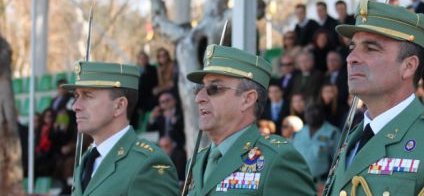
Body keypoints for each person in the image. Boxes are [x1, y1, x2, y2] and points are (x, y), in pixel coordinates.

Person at [328, 0, 424, 195]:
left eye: (370, 48)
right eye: (353, 48)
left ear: (409, 66)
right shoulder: (351, 140)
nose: (351, 58)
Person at [184, 44, 316, 196]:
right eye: (198, 88)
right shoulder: (197, 162)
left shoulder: (276, 160)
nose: (199, 98)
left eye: (214, 88)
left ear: (247, 99)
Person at [63, 61, 179, 196]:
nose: (75, 106)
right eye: (76, 96)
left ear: (119, 106)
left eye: (88, 96)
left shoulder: (147, 164)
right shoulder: (87, 158)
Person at [292, 104, 340, 184]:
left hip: (322, 183)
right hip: (299, 181)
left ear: (322, 114)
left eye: (315, 111)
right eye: (308, 111)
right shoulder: (299, 133)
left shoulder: (333, 132)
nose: (312, 114)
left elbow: (338, 160)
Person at [136, 51, 159, 125]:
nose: (142, 60)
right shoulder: (136, 70)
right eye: (140, 58)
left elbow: (153, 82)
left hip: (150, 93)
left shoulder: (153, 69)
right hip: (139, 94)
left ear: (147, 59)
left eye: (144, 58)